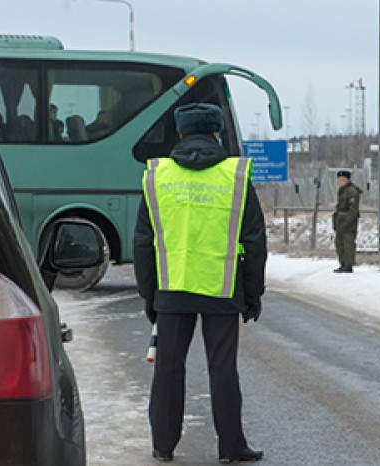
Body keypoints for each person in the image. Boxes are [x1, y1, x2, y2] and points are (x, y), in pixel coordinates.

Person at [133, 102, 267, 464]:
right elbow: (255, 241)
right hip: (221, 288)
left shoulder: (157, 176)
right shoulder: (234, 176)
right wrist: (252, 294)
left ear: (179, 134)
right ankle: (230, 447)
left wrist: (150, 294)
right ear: (216, 132)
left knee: (168, 368)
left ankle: (163, 446)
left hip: (172, 289)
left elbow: (144, 242)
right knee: (222, 368)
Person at [332, 170, 362, 273]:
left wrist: (348, 222)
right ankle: (343, 263)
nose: (340, 182)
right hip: (340, 221)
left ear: (347, 179)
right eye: (339, 180)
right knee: (339, 243)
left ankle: (348, 264)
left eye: (343, 179)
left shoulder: (352, 191)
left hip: (349, 222)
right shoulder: (342, 190)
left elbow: (353, 210)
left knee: (348, 243)